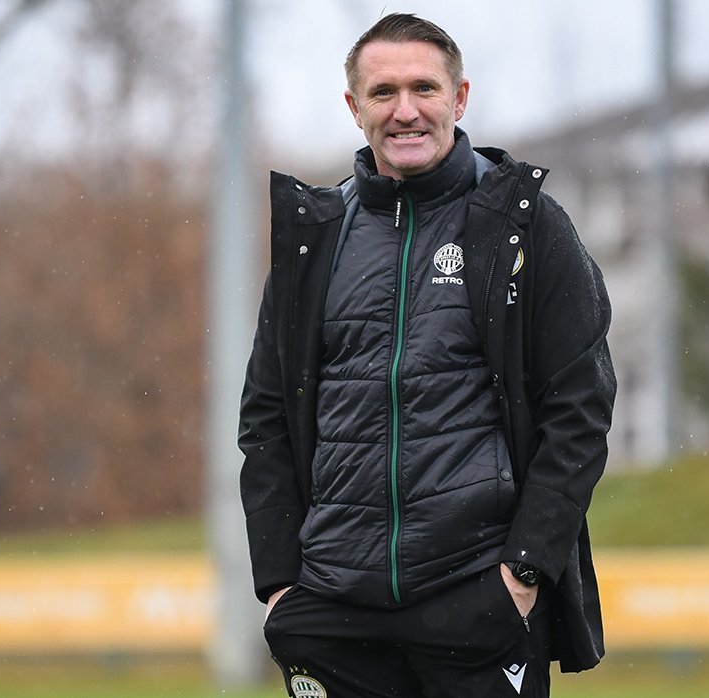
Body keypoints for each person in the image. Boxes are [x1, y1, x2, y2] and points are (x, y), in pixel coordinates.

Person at [239, 13, 616, 698]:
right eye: (383, 92)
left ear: (459, 98)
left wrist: (522, 574)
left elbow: (580, 411)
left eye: (424, 88)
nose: (405, 110)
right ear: (354, 107)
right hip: (333, 611)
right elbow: (266, 419)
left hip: (477, 603)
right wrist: (280, 588)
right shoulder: (314, 237)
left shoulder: (525, 225)